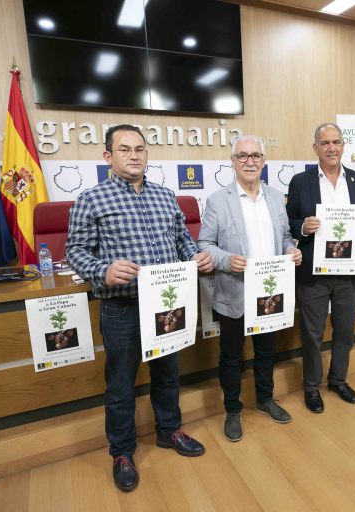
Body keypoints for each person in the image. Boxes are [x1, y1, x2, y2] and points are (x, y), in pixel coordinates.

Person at [66, 124, 213, 492]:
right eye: (125, 149)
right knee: (120, 385)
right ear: (108, 157)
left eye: (140, 149)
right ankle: (122, 452)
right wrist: (104, 269)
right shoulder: (91, 199)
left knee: (168, 374)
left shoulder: (166, 197)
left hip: (166, 303)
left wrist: (197, 256)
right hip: (122, 308)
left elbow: (182, 240)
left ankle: (169, 431)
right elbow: (75, 251)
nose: (134, 155)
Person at [197, 135, 302, 441]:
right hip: (234, 293)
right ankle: (232, 409)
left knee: (266, 351)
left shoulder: (275, 197)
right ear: (232, 162)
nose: (249, 161)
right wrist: (227, 260)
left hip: (269, 292)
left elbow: (284, 237)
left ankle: (266, 399)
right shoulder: (218, 200)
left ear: (264, 161)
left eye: (255, 155)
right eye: (242, 156)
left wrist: (290, 250)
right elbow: (204, 245)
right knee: (231, 357)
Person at [287, 123, 355, 413]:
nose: (331, 148)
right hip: (314, 272)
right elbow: (287, 221)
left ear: (343, 145)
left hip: (349, 272)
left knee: (345, 331)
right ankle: (311, 386)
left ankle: (338, 380)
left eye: (336, 142)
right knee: (312, 333)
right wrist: (302, 226)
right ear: (315, 148)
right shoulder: (300, 182)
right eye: (324, 143)